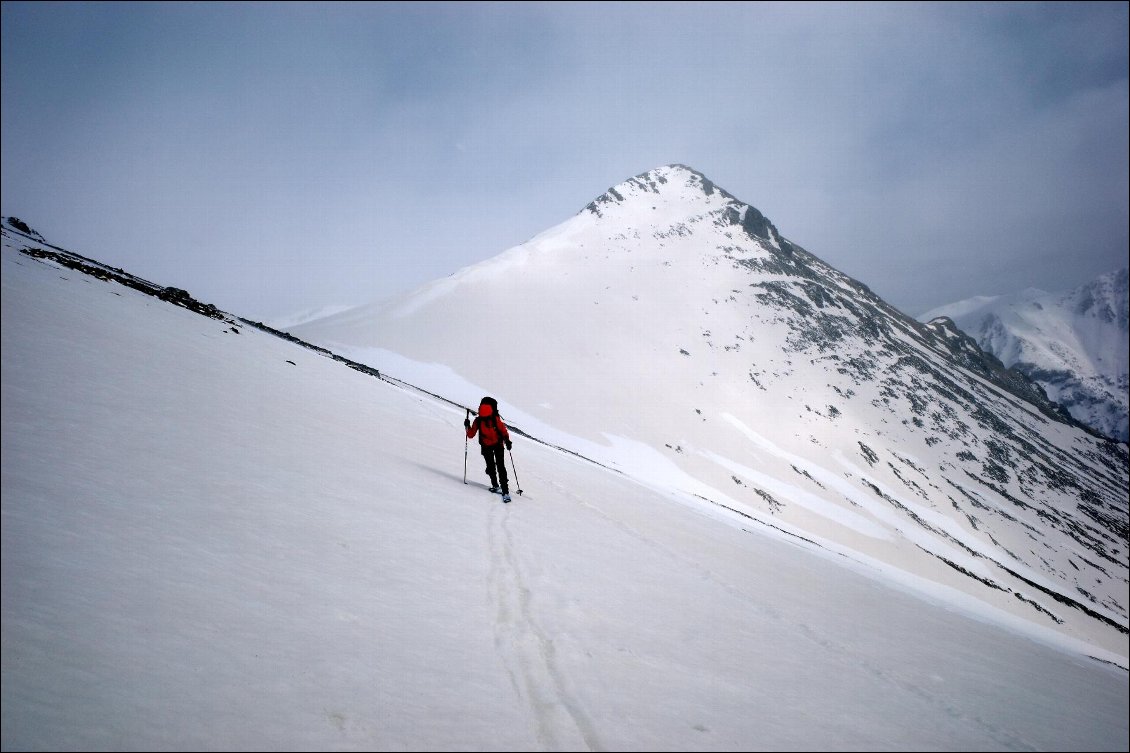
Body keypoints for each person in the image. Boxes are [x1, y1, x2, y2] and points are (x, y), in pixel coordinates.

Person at [464, 396, 513, 502]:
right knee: (501, 467)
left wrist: (467, 426)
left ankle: (495, 485)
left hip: (486, 446)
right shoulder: (495, 419)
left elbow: (471, 434)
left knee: (491, 466)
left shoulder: (478, 420)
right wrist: (507, 441)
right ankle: (505, 492)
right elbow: (503, 431)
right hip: (498, 444)